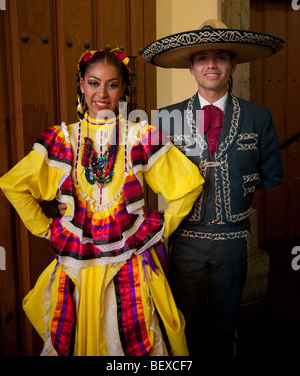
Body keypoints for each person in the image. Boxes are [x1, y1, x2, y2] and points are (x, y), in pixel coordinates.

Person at [0, 48, 204, 356]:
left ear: (123, 88)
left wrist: (159, 228)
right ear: (81, 84)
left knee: (132, 340)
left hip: (129, 263)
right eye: (94, 83)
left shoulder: (140, 135)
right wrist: (46, 228)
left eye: (112, 84)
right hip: (76, 264)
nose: (102, 93)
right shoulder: (63, 139)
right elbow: (13, 184)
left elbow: (189, 184)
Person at [142, 19, 284, 357]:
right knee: (183, 321)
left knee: (226, 322)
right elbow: (139, 173)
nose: (211, 64)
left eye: (220, 57)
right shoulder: (163, 118)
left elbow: (270, 174)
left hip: (234, 240)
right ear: (191, 67)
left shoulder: (258, 116)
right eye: (202, 57)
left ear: (233, 64)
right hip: (185, 239)